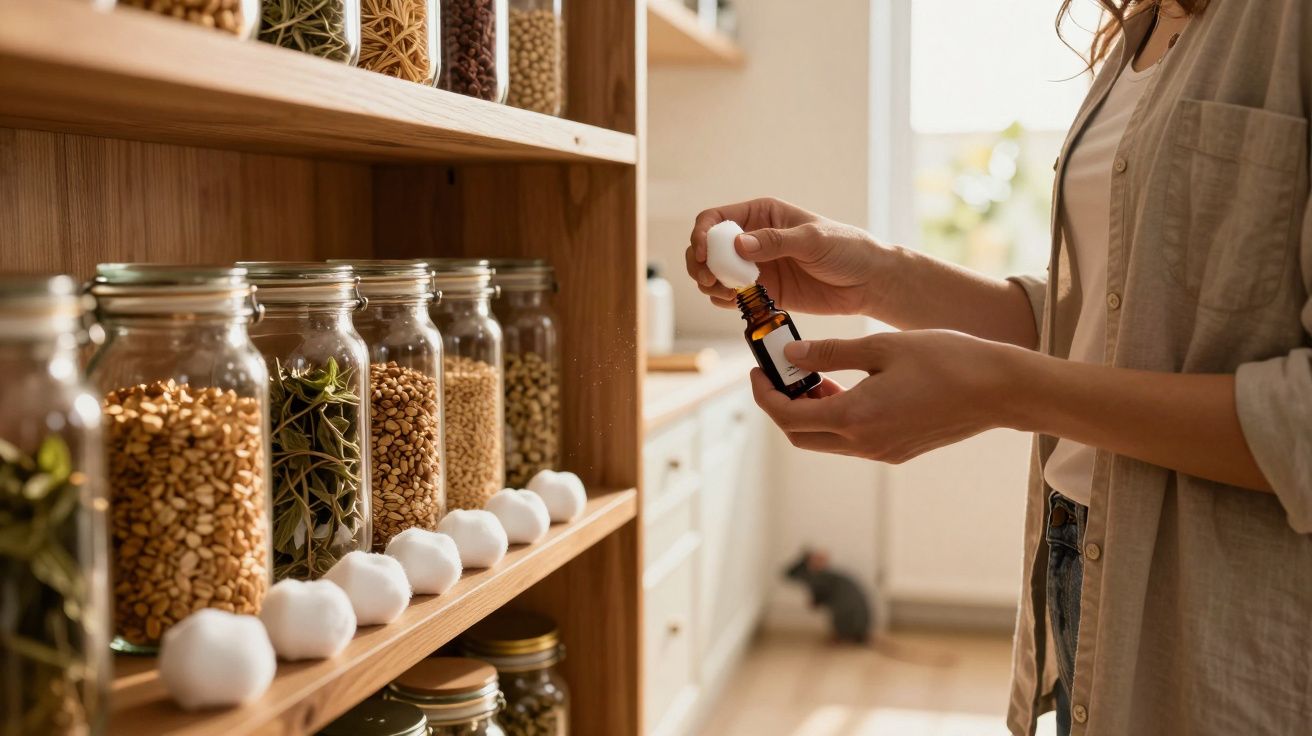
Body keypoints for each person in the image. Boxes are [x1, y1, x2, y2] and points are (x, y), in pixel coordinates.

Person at [685, 1, 1311, 734]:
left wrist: (1000, 390)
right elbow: (1100, 325)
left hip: (1223, 625)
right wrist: (877, 277)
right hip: (1083, 567)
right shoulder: (1143, 25)